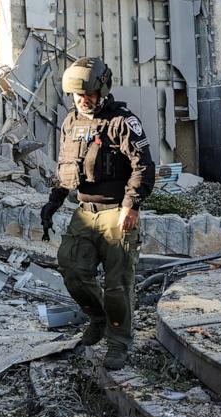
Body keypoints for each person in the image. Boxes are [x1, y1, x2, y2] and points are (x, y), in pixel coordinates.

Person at [39, 57, 155, 370]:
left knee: (117, 286)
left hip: (116, 212)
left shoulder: (121, 121)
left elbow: (143, 166)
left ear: (102, 89)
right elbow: (65, 167)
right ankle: (99, 319)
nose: (83, 99)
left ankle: (118, 343)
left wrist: (131, 206)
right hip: (84, 212)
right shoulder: (71, 122)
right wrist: (53, 202)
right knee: (72, 269)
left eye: (88, 93)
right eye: (77, 95)